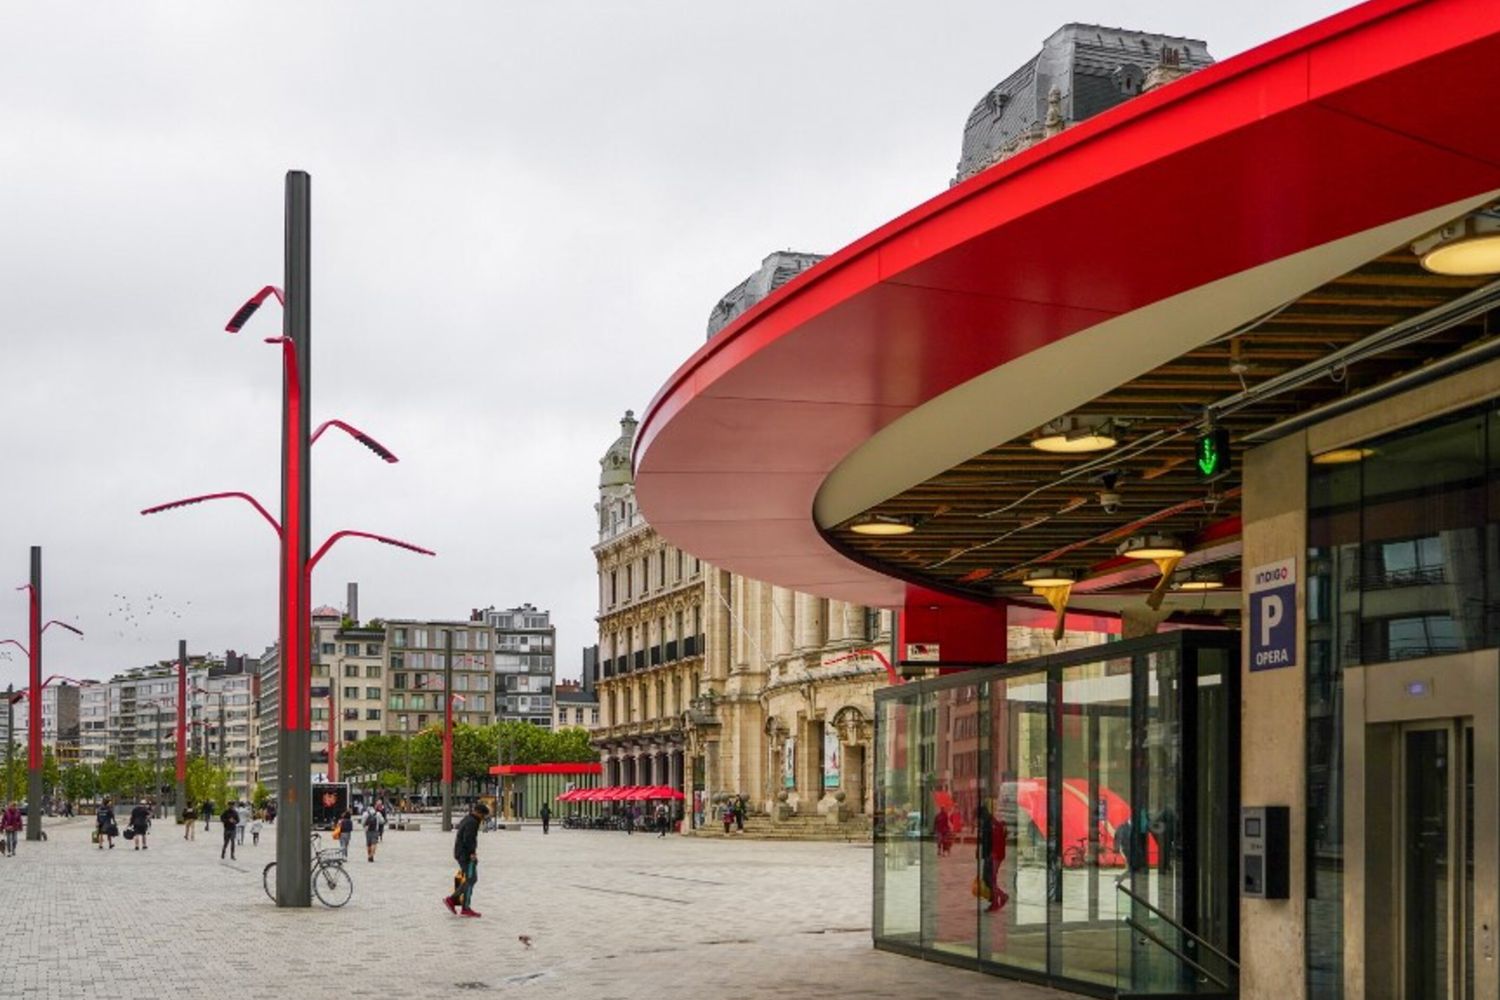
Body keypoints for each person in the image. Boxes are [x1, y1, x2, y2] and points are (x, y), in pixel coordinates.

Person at [443, 801, 489, 918]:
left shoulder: (468, 819)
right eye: (483, 815)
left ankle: (456, 902)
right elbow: (468, 838)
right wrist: (472, 853)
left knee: (470, 879)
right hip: (465, 855)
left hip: (461, 853)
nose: (483, 818)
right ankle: (461, 905)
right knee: (471, 879)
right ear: (479, 813)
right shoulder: (472, 822)